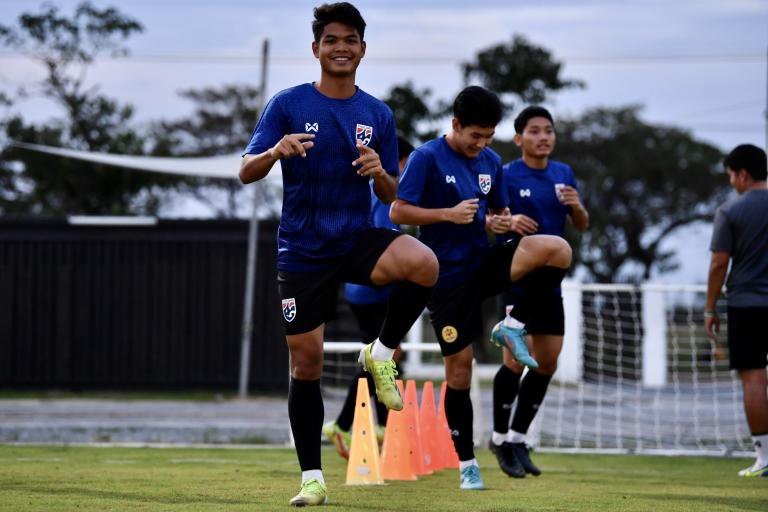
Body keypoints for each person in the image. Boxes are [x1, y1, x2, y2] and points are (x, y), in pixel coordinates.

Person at [239, 3, 438, 506]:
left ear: (363, 49)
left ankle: (381, 351)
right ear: (316, 49)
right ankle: (312, 477)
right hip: (303, 250)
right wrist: (274, 152)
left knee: (424, 263)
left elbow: (394, 196)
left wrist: (380, 173)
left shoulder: (378, 114)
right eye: (331, 40)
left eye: (350, 39)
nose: (341, 48)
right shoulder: (287, 104)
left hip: (354, 239)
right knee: (306, 364)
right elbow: (245, 171)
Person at [391, 86, 572, 490]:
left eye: (489, 136)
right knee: (460, 371)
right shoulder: (426, 157)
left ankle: (512, 325)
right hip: (445, 278)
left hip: (482, 261)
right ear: (456, 124)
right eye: (475, 135)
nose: (482, 144)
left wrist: (501, 221)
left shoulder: (490, 161)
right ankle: (467, 464)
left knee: (557, 249)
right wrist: (447, 214)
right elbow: (398, 211)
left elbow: (498, 211)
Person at [488, 106, 589, 478]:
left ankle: (518, 438)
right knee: (515, 362)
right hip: (517, 279)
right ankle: (498, 439)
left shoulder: (563, 174)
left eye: (548, 130)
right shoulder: (505, 174)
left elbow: (582, 224)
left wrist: (577, 207)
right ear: (519, 138)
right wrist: (507, 221)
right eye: (534, 131)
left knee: (547, 362)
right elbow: (487, 219)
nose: (543, 137)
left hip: (550, 283)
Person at [322, 136, 415, 459]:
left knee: (385, 357)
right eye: (409, 165)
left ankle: (372, 426)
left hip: (364, 290)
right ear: (400, 163)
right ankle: (351, 425)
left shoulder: (380, 190)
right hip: (373, 289)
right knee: (383, 357)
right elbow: (382, 241)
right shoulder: (387, 194)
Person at [705, 143, 768, 478]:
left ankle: (765, 457)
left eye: (731, 175)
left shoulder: (730, 211)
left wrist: (709, 309)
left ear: (742, 174)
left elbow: (719, 264)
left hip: (747, 304)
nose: (731, 182)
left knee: (754, 379)